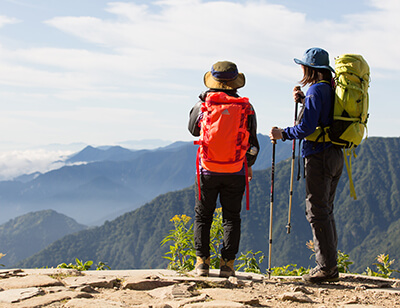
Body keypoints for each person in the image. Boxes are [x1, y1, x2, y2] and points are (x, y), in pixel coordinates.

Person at [269, 47, 344, 283]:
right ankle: (330, 264)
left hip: (318, 157)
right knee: (326, 209)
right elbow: (321, 117)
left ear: (310, 69)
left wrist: (283, 133)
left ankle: (327, 268)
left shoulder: (315, 90)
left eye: (303, 66)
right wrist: (304, 101)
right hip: (335, 155)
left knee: (317, 211)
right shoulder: (330, 90)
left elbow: (306, 128)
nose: (301, 70)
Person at [188, 61, 259, 277]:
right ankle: (227, 265)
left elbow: (193, 130)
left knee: (203, 217)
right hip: (236, 170)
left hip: (207, 169)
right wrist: (247, 164)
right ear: (235, 82)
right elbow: (253, 143)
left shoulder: (203, 105)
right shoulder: (246, 107)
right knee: (231, 217)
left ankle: (202, 263)